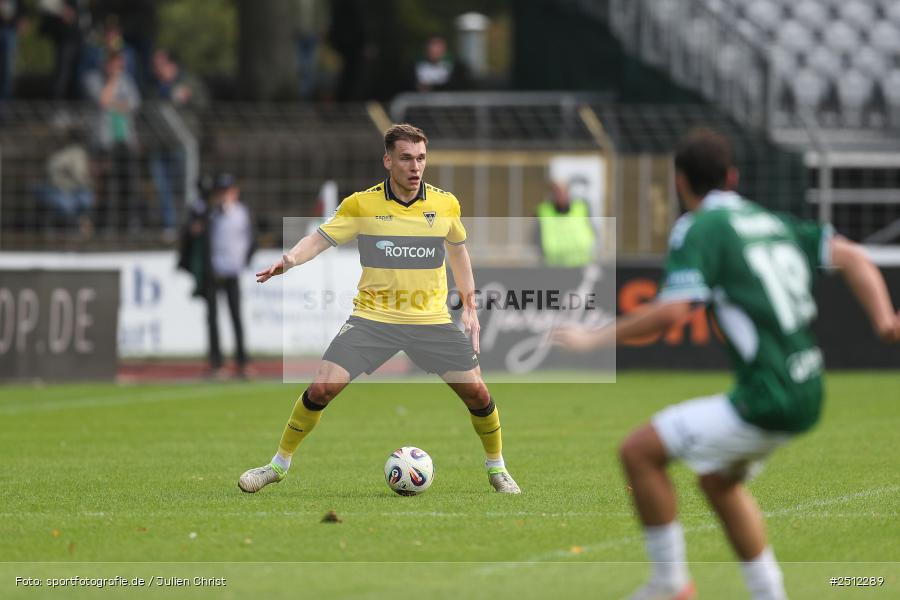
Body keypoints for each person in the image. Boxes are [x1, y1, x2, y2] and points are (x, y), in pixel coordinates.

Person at [553, 128, 900, 600]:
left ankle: (670, 585)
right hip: (809, 383)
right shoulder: (768, 219)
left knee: (639, 453)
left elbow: (674, 311)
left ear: (680, 183)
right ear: (732, 178)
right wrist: (884, 323)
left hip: (769, 395)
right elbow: (856, 256)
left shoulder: (700, 229)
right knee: (718, 481)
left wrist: (594, 339)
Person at [239, 123, 521, 495]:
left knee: (479, 396)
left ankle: (497, 468)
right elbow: (321, 238)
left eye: (421, 158)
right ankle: (278, 465)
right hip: (373, 320)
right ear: (388, 160)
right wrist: (290, 259)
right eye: (406, 158)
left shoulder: (445, 203)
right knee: (321, 389)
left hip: (431, 321)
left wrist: (470, 304)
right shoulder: (362, 204)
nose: (415, 166)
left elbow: (458, 251)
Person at [150, 48, 208, 240]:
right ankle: (169, 225)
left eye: (160, 64)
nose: (156, 68)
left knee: (186, 186)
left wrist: (189, 96)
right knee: (162, 187)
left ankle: (188, 224)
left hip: (183, 144)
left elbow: (204, 103)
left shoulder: (188, 82)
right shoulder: (152, 86)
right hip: (159, 144)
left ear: (171, 65)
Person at [83, 49, 140, 231]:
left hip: (124, 139)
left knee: (128, 182)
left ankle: (127, 223)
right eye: (112, 63)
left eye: (118, 64)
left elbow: (133, 104)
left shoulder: (127, 80)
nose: (116, 68)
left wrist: (115, 103)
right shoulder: (92, 78)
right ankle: (103, 223)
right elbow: (103, 100)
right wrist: (113, 82)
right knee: (104, 183)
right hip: (103, 142)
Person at [206, 173, 254, 378]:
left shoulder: (242, 213)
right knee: (212, 319)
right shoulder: (211, 214)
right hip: (214, 271)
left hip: (233, 271)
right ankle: (216, 364)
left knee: (236, 317)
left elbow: (252, 240)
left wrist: (243, 261)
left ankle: (242, 362)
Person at [535, 179, 596, 267]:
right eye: (557, 192)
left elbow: (593, 231)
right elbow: (535, 236)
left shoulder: (581, 208)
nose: (561, 195)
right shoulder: (543, 211)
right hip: (554, 264)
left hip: (581, 262)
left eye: (563, 192)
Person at [0, 0, 24, 100]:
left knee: (8, 68)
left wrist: (23, 21)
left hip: (10, 31)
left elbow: (23, 10)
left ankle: (5, 101)